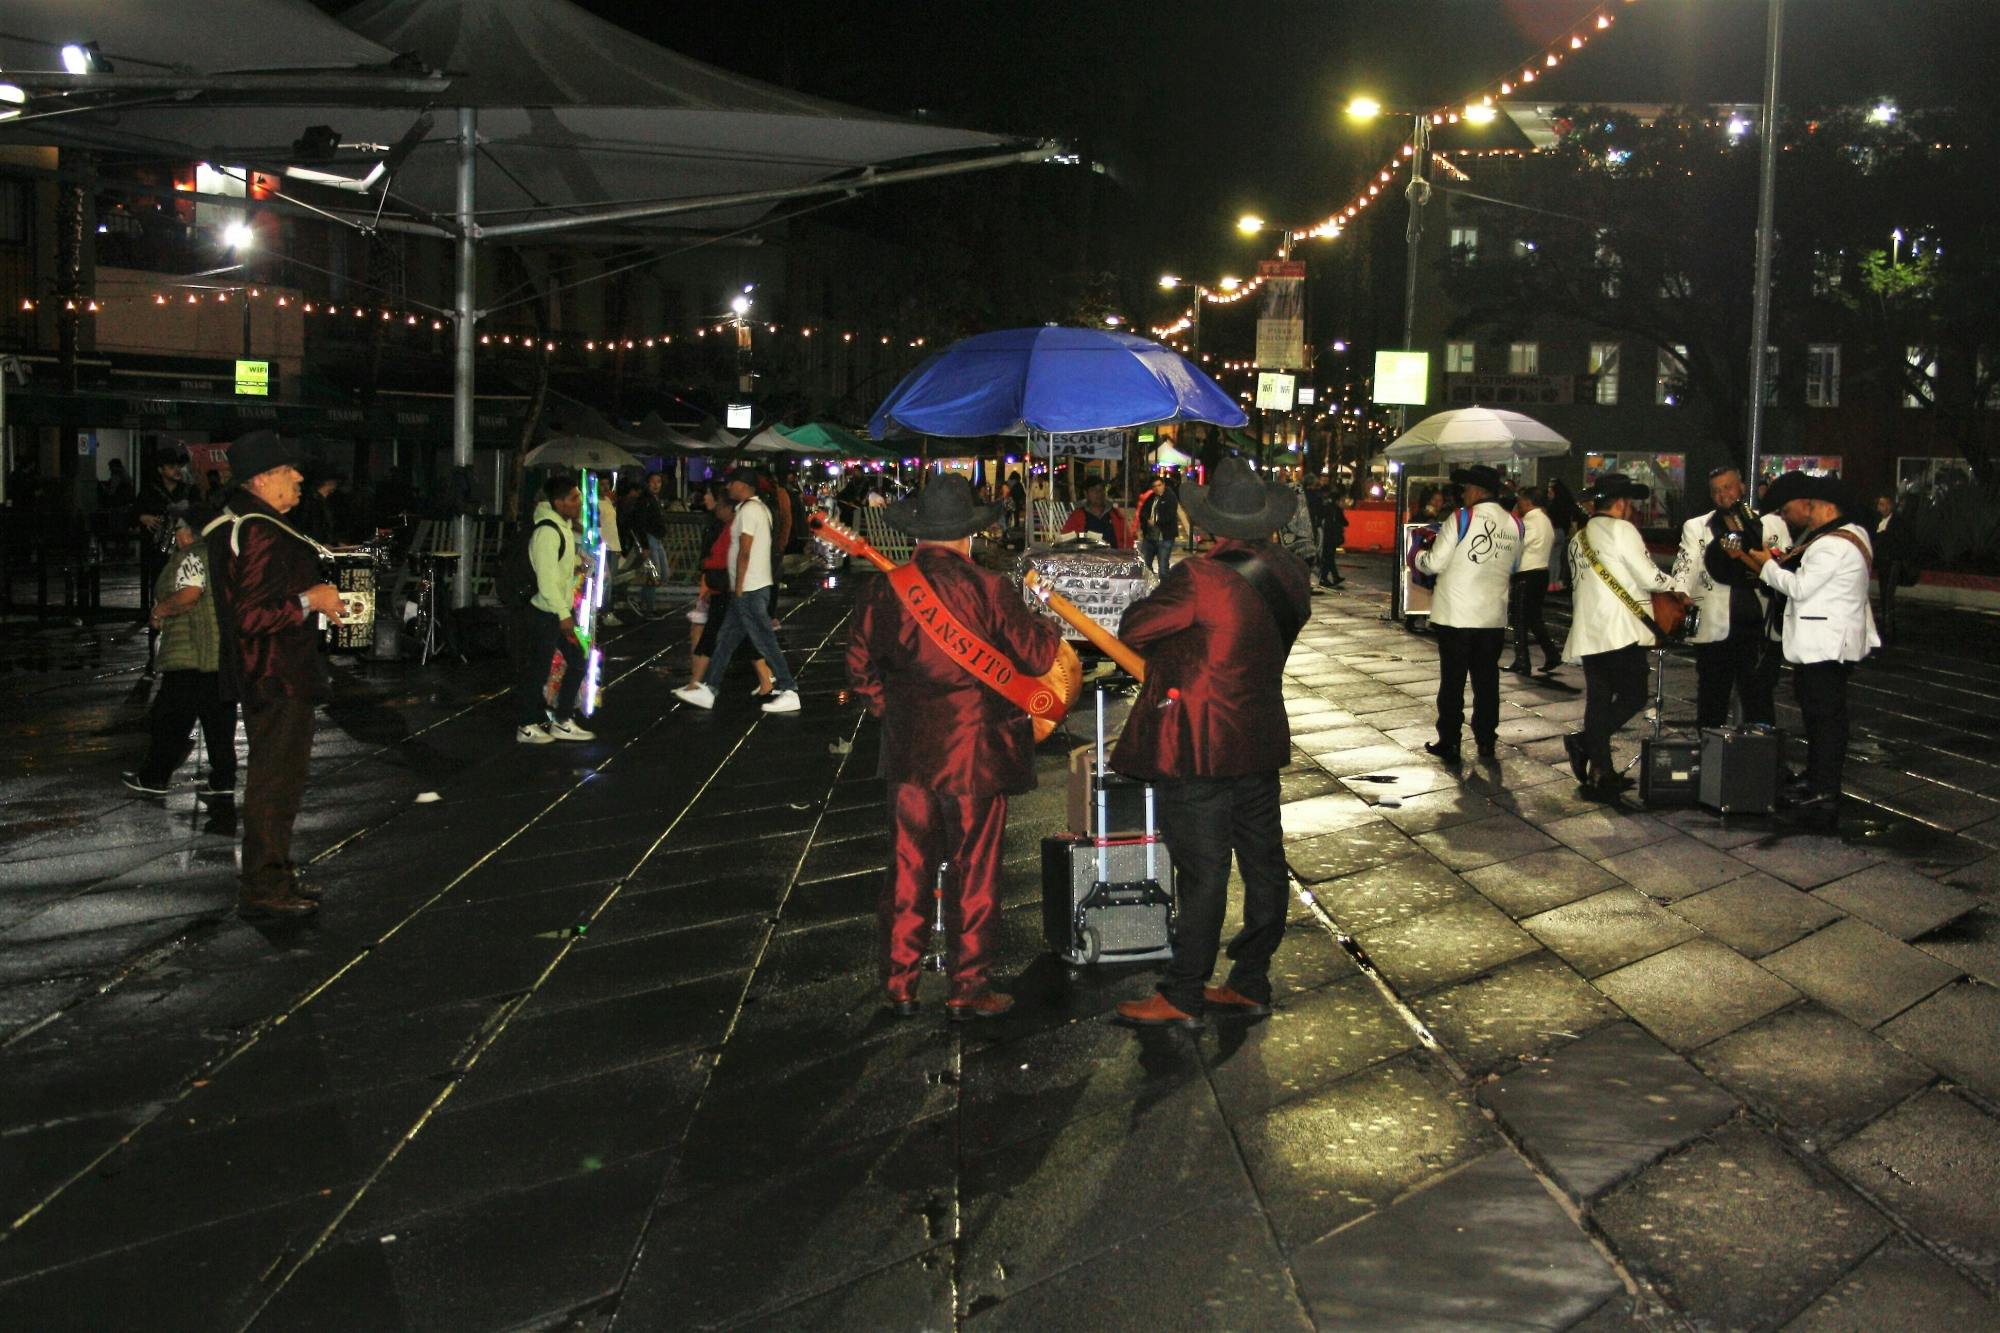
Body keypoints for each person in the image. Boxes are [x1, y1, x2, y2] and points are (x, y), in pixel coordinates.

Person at [846, 476, 1063, 1020]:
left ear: (917, 534)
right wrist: (1046, 616)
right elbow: (1037, 657)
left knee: (907, 867)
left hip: (909, 753)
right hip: (975, 753)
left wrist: (893, 712)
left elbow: (858, 668)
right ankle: (968, 989)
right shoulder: (991, 589)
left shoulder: (886, 589)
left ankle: (900, 983)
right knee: (974, 870)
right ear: (969, 535)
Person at [1107, 458, 1312, 1028]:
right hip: (1259, 737)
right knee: (1264, 862)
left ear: (1210, 522)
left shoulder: (1200, 577)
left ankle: (1183, 993)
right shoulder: (1290, 572)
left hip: (1198, 743)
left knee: (1203, 871)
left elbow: (1136, 628)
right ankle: (1250, 980)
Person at [205, 431, 345, 919]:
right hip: (277, 673)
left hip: (271, 671)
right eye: (289, 471)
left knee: (278, 780)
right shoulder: (260, 530)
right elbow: (249, 617)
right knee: (275, 782)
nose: (300, 478)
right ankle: (265, 884)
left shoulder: (246, 522)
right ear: (263, 479)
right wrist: (312, 601)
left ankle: (275, 875)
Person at [1725, 471, 1879, 831]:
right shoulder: (1850, 535)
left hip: (1825, 645)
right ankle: (1817, 781)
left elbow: (1800, 587)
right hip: (1831, 643)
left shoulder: (1833, 544)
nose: (1803, 511)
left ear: (1824, 506)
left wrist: (1765, 566)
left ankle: (1824, 790)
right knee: (1823, 717)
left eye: (1808, 505)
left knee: (1824, 720)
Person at [1561, 474, 1680, 800]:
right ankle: (1586, 742)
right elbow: (1648, 575)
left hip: (1589, 630)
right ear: (1622, 502)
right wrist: (1676, 585)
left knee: (1599, 700)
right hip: (1618, 630)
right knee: (1633, 695)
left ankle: (1602, 773)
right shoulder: (1622, 529)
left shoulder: (1578, 538)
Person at [122, 506, 236, 804]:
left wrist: (160, 610)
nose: (173, 537)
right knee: (218, 719)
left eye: (176, 532)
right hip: (216, 653)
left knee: (169, 718)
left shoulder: (191, 556)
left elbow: (189, 594)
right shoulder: (217, 556)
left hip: (190, 653)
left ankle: (153, 778)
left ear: (187, 534)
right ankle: (224, 779)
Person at [1414, 464, 1520, 764]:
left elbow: (1434, 563)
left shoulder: (1462, 518)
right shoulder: (1515, 524)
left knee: (1453, 681)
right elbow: (1513, 567)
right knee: (1487, 681)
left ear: (1475, 490)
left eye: (1465, 489)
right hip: (1492, 617)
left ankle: (1450, 740)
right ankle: (1486, 740)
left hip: (1456, 616)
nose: (1463, 494)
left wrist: (1418, 555)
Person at [673, 467, 801, 714]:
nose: (729, 487)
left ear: (743, 485)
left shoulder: (750, 511)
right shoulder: (757, 508)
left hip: (749, 588)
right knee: (727, 639)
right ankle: (708, 688)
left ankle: (789, 688)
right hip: (749, 586)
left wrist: (739, 586)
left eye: (732, 483)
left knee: (763, 638)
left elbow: (745, 550)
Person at [1673, 466, 1788, 727]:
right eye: (1716, 490)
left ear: (1742, 487)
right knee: (1712, 699)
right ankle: (1708, 759)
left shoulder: (1772, 523)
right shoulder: (1697, 526)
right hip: (1715, 628)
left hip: (1759, 627)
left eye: (1728, 487)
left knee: (1759, 699)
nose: (1723, 494)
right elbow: (1686, 563)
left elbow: (1785, 563)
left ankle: (1764, 760)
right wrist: (1680, 591)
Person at [511, 473, 596, 745]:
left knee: (577, 660)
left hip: (555, 610)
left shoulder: (561, 528)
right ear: (558, 502)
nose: (578, 504)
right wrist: (563, 615)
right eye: (573, 499)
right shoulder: (548, 531)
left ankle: (560, 719)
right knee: (539, 668)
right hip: (546, 612)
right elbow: (546, 581)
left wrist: (574, 567)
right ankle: (527, 725)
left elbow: (555, 570)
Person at [685, 487, 774, 696]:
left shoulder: (734, 526)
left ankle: (700, 685)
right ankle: (766, 677)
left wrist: (738, 587)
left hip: (729, 589)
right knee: (739, 636)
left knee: (721, 635)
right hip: (728, 588)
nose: (705, 498)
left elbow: (734, 556)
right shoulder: (728, 524)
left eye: (709, 494)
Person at [1506, 487, 1560, 674]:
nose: (1518, 504)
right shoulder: (1545, 521)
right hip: (1541, 572)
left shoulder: (1528, 523)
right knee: (1535, 618)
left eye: (1520, 501)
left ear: (1528, 502)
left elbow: (1515, 545)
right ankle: (1551, 653)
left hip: (1526, 575)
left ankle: (1522, 661)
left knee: (1519, 618)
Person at [1872, 493, 1906, 645]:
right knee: (1883, 593)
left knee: (1888, 594)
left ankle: (1888, 626)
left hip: (1892, 562)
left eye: (1885, 504)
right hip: (1883, 563)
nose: (1883, 508)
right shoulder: (1879, 521)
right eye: (1880, 504)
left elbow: (1898, 542)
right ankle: (1886, 624)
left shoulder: (1896, 522)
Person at [1136, 475, 1184, 580]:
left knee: (1163, 568)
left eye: (1159, 485)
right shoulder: (1151, 498)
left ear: (1164, 485)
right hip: (1150, 537)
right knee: (1145, 565)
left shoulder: (1170, 497)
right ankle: (1149, 587)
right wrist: (1146, 522)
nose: (1157, 488)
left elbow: (1169, 515)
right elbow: (1143, 512)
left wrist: (1156, 521)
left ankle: (1164, 589)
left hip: (1164, 537)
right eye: (1154, 486)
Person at [1059, 480, 1133, 547]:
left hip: (1114, 558)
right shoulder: (1077, 516)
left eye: (1101, 490)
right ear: (1086, 493)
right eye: (1094, 490)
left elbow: (1128, 540)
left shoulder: (1116, 515)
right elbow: (1066, 540)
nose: (1099, 493)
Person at [596, 473, 625, 628]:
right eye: (602, 484)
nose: (605, 487)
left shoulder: (607, 500)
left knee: (610, 581)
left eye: (607, 484)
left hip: (613, 545)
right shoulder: (593, 503)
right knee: (605, 581)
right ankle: (605, 612)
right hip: (603, 546)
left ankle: (606, 610)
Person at [1318, 488, 1348, 589]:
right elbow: (1345, 522)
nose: (1344, 503)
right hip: (1332, 536)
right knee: (1329, 558)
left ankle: (1334, 577)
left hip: (1326, 536)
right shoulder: (1336, 509)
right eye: (1342, 500)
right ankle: (1324, 578)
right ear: (1337, 501)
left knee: (1329, 557)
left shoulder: (1327, 507)